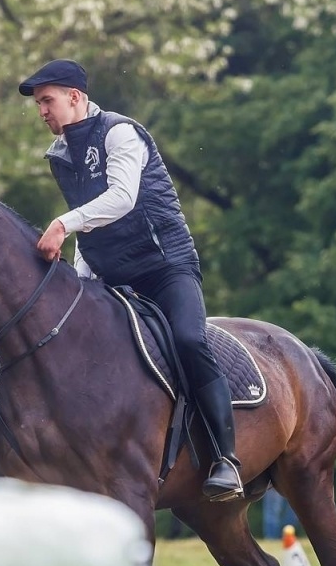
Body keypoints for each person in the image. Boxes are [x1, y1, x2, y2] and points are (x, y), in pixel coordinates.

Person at [20, 58, 242, 500]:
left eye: (48, 101)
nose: (42, 111)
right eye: (39, 104)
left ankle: (225, 459)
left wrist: (62, 223)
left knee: (188, 339)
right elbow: (91, 226)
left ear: (75, 97)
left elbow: (121, 197)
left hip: (165, 270)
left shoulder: (121, 133)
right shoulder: (61, 155)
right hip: (112, 278)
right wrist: (78, 280)